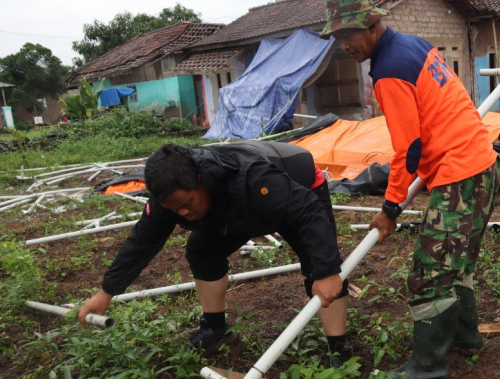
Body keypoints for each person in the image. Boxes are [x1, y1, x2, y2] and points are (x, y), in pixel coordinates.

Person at [320, 0, 500, 379]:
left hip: (460, 175)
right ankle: (465, 336)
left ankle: (428, 367)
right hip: (483, 163)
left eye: (348, 35)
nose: (343, 45)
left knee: (429, 273)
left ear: (372, 23)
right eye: (337, 38)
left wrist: (389, 210)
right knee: (457, 263)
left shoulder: (389, 71)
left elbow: (409, 151)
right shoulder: (412, 44)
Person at [77, 141, 353, 366]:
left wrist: (328, 271)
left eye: (187, 204)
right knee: (202, 250)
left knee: (320, 263)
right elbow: (142, 242)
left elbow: (307, 211)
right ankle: (214, 328)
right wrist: (106, 292)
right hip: (235, 208)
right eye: (175, 210)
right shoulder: (169, 198)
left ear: (200, 180)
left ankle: (338, 348)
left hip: (296, 184)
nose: (183, 213)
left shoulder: (253, 178)